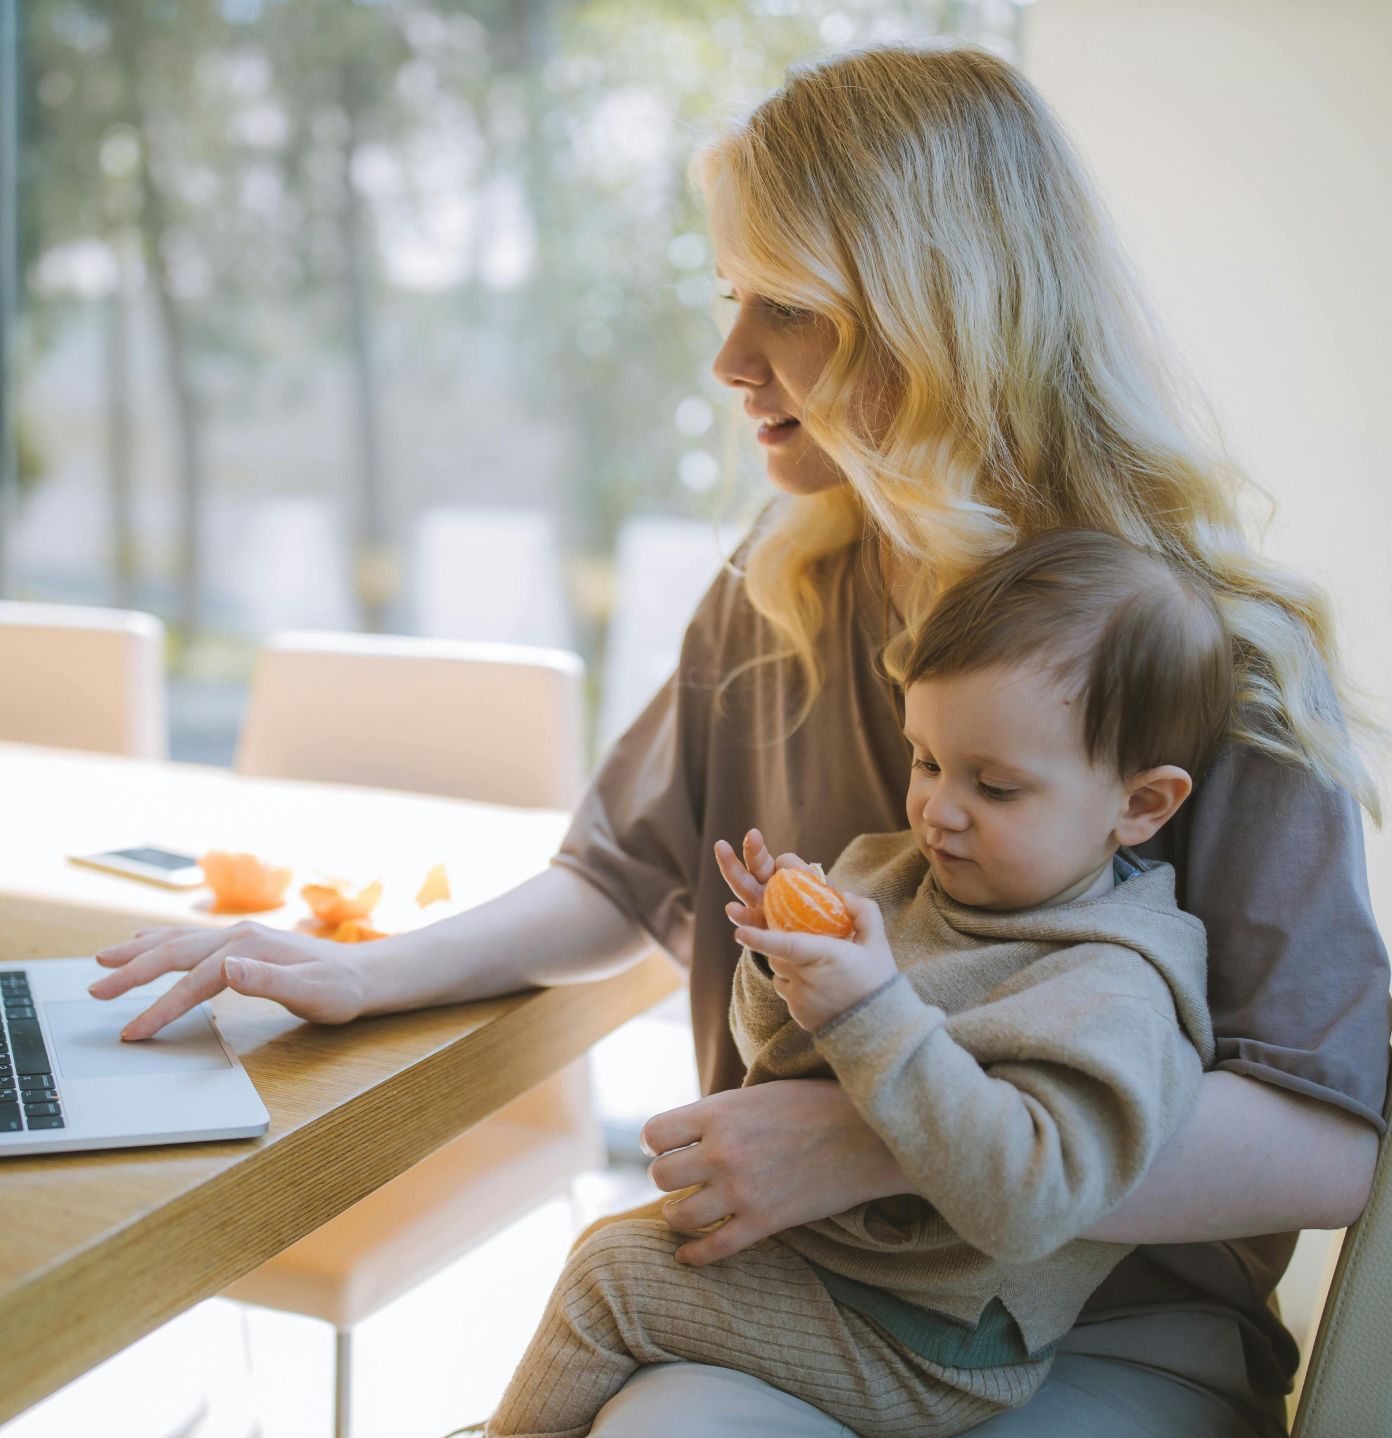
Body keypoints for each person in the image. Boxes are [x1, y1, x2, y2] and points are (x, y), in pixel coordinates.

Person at [87, 43, 1387, 1436]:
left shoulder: (1209, 656)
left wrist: (874, 1138)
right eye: (730, 299)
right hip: (822, 1285)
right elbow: (621, 876)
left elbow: (1324, 1142)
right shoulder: (786, 583)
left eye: (790, 308)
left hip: (1107, 1330)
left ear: (939, 315)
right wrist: (371, 969)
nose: (729, 359)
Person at [485, 529, 1227, 1437]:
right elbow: (782, 1060)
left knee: (611, 1282)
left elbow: (1032, 1200)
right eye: (927, 761)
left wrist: (872, 1011)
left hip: (933, 1340)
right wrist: (782, 962)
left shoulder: (1115, 982)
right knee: (618, 1251)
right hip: (834, 1268)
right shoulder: (897, 872)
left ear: (1141, 805)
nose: (938, 811)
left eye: (995, 788)